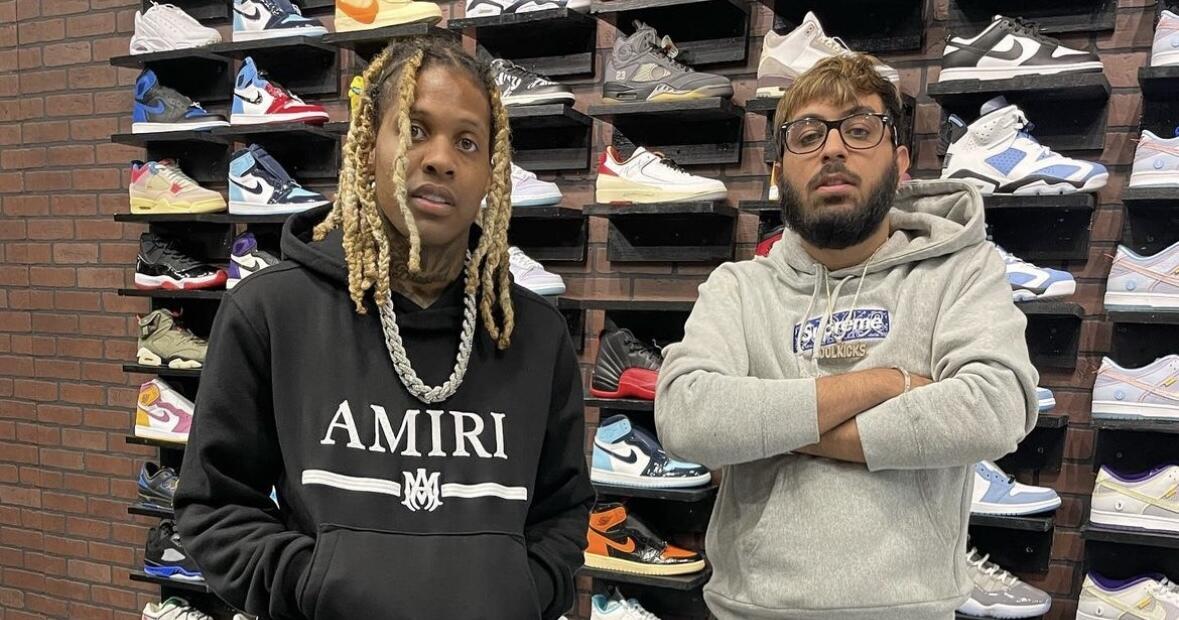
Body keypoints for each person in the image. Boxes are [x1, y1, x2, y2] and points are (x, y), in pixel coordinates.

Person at [174, 36, 593, 620]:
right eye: (416, 130)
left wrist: (522, 589)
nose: (441, 158)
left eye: (467, 142)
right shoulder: (269, 313)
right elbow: (214, 507)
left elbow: (564, 511)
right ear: (369, 145)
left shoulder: (536, 335)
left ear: (491, 176)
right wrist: (314, 587)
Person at [654, 54, 1038, 620]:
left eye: (859, 130)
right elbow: (688, 417)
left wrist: (768, 427)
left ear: (900, 162)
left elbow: (995, 406)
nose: (833, 149)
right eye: (807, 135)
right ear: (780, 172)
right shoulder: (738, 288)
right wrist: (890, 381)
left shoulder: (961, 270)